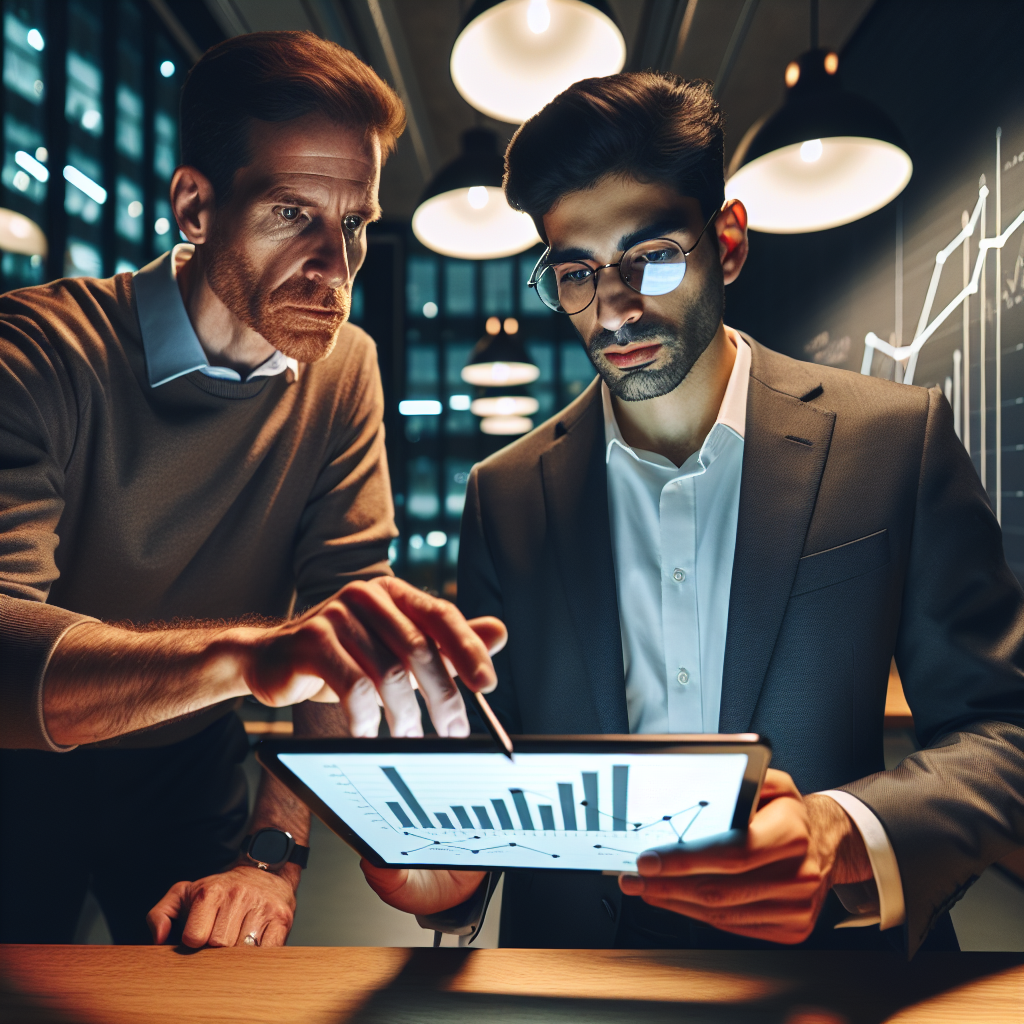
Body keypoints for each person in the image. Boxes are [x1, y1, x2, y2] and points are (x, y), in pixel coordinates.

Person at [361, 72, 1024, 956]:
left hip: (828, 973)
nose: (617, 308)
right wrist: (451, 873)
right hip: (576, 983)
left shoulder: (895, 441)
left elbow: (1005, 731)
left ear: (730, 242)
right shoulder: (504, 494)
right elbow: (499, 768)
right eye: (577, 274)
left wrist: (843, 836)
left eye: (655, 258)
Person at [0, 31, 503, 948]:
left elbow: (339, 613)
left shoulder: (347, 366)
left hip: (192, 764)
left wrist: (271, 854)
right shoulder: (39, 352)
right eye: (291, 214)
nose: (336, 266)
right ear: (195, 206)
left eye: (353, 224)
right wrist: (249, 655)